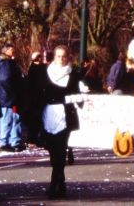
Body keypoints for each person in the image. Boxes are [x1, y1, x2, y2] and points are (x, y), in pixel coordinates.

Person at [40, 45, 83, 199]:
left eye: (64, 56)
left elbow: (79, 95)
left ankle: (54, 184)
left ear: (68, 57)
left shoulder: (74, 75)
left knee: (61, 150)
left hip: (65, 116)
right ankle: (61, 182)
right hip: (48, 115)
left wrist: (79, 96)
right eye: (58, 56)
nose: (61, 59)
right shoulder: (45, 73)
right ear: (54, 57)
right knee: (53, 151)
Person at [0, 42, 24, 152]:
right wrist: (12, 92)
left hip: (8, 96)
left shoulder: (5, 62)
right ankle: (5, 143)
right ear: (6, 51)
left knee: (14, 118)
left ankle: (14, 141)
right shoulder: (6, 63)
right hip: (8, 97)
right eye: (12, 50)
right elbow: (5, 79)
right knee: (7, 119)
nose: (14, 51)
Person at [24, 51, 47, 145]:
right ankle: (34, 138)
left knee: (35, 119)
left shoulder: (32, 68)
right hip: (37, 97)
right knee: (37, 119)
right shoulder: (38, 68)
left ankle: (33, 138)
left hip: (34, 98)